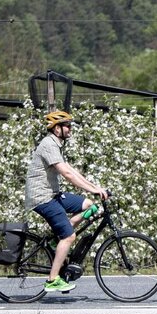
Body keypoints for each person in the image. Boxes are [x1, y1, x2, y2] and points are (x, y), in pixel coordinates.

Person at [25, 110, 110, 292]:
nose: (70, 129)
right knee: (70, 236)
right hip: (43, 198)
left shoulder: (56, 145)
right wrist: (94, 189)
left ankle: (58, 239)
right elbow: (68, 174)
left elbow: (71, 169)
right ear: (57, 129)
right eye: (67, 126)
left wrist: (95, 188)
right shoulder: (48, 145)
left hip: (53, 194)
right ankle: (52, 279)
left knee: (89, 205)